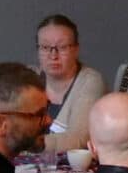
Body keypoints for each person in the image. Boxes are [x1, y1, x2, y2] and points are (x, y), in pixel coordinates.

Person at [35, 14, 106, 154]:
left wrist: (28, 144)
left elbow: (79, 139)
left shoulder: (90, 81)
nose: (53, 55)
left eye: (62, 47)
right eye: (45, 47)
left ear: (76, 50)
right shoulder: (28, 78)